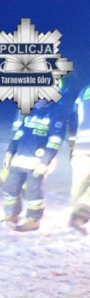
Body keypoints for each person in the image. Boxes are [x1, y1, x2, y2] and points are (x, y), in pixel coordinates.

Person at [1, 97, 67, 231]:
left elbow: (55, 139)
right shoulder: (30, 110)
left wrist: (45, 162)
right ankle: (11, 215)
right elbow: (19, 133)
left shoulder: (56, 111)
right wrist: (9, 151)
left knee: (33, 192)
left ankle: (34, 220)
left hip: (36, 163)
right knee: (10, 188)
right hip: (19, 158)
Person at [68, 82, 90, 233]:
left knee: (79, 184)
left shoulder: (84, 90)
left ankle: (74, 218)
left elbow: (73, 118)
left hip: (81, 145)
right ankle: (79, 217)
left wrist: (71, 144)